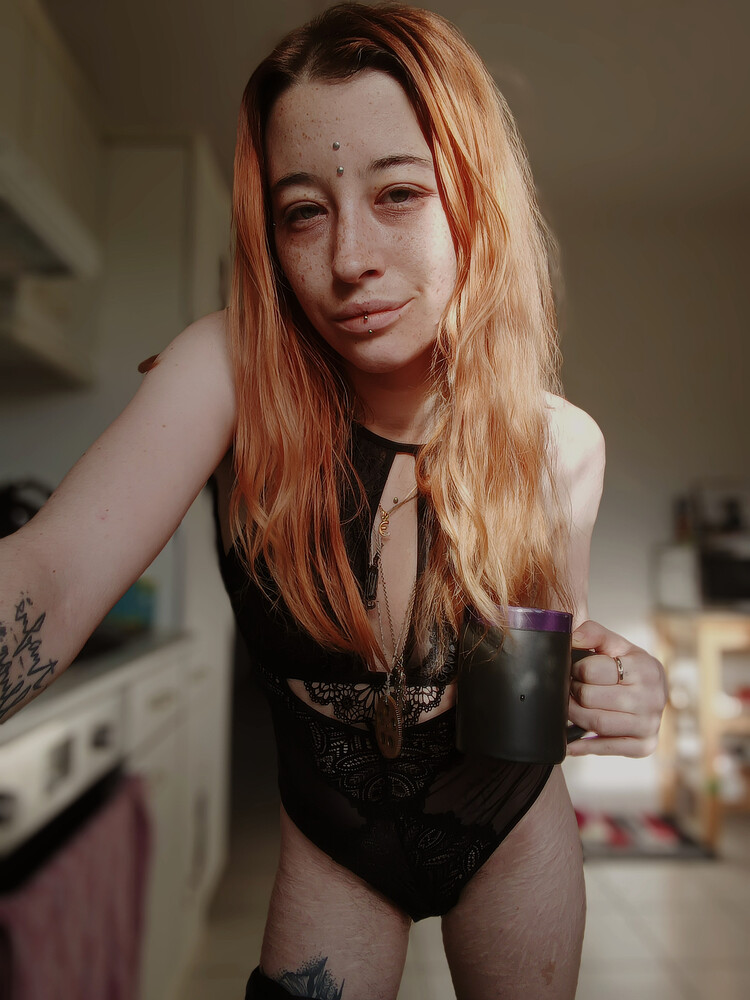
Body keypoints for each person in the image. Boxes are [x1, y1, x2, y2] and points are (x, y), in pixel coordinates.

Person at [0, 4, 668, 998]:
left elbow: (537, 666)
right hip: (334, 842)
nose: (349, 257)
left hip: (512, 827)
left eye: (398, 193)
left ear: (475, 199)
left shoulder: (562, 445)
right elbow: (49, 579)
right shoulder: (226, 372)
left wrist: (612, 683)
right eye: (303, 211)